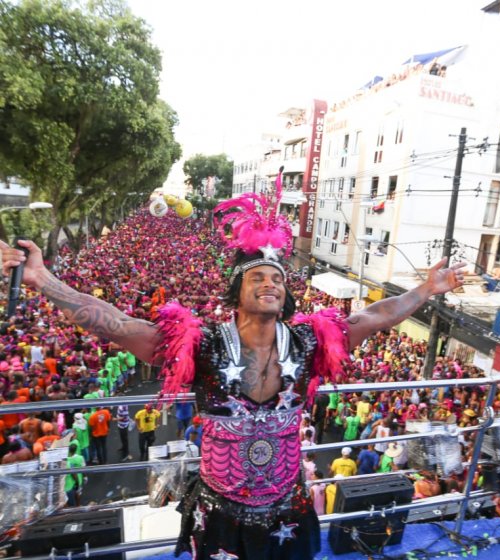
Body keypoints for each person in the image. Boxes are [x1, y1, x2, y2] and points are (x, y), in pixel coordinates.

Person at [0, 168, 465, 559]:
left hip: (289, 510)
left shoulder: (307, 340)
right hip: (220, 513)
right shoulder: (201, 344)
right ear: (236, 293)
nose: (270, 284)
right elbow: (118, 325)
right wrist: (43, 279)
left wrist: (426, 291)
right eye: (258, 277)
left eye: (277, 279)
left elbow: (373, 315)